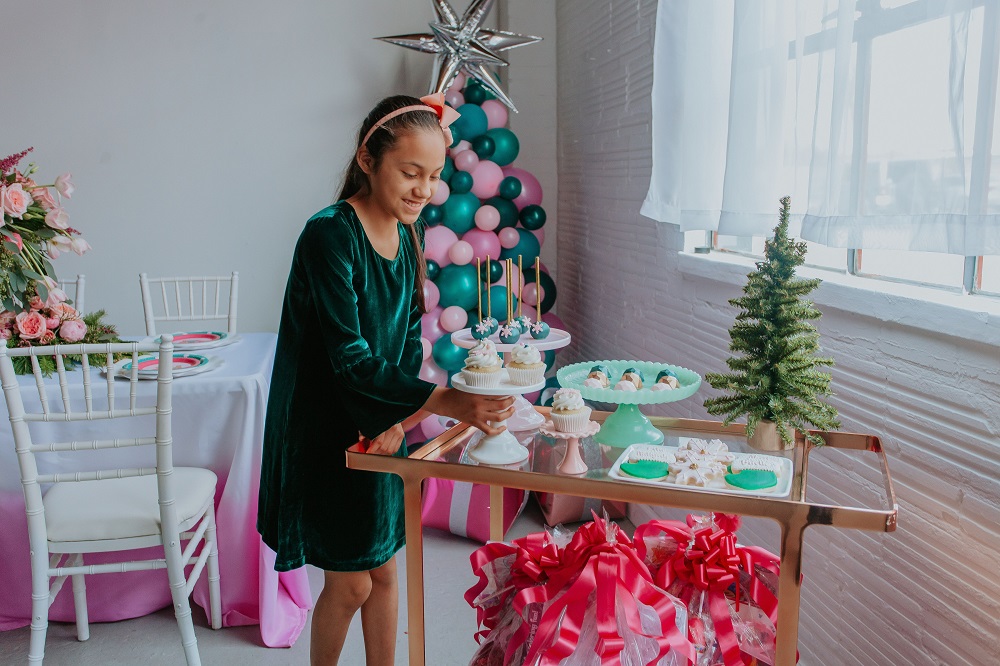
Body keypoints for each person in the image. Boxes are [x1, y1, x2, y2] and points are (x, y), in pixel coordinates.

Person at [257, 94, 515, 666]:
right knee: (349, 584)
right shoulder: (329, 235)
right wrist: (446, 400)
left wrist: (398, 421)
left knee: (385, 571)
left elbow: (401, 345)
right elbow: (347, 356)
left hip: (380, 427)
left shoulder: (408, 236)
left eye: (434, 175)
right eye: (410, 172)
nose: (425, 190)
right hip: (327, 433)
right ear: (368, 161)